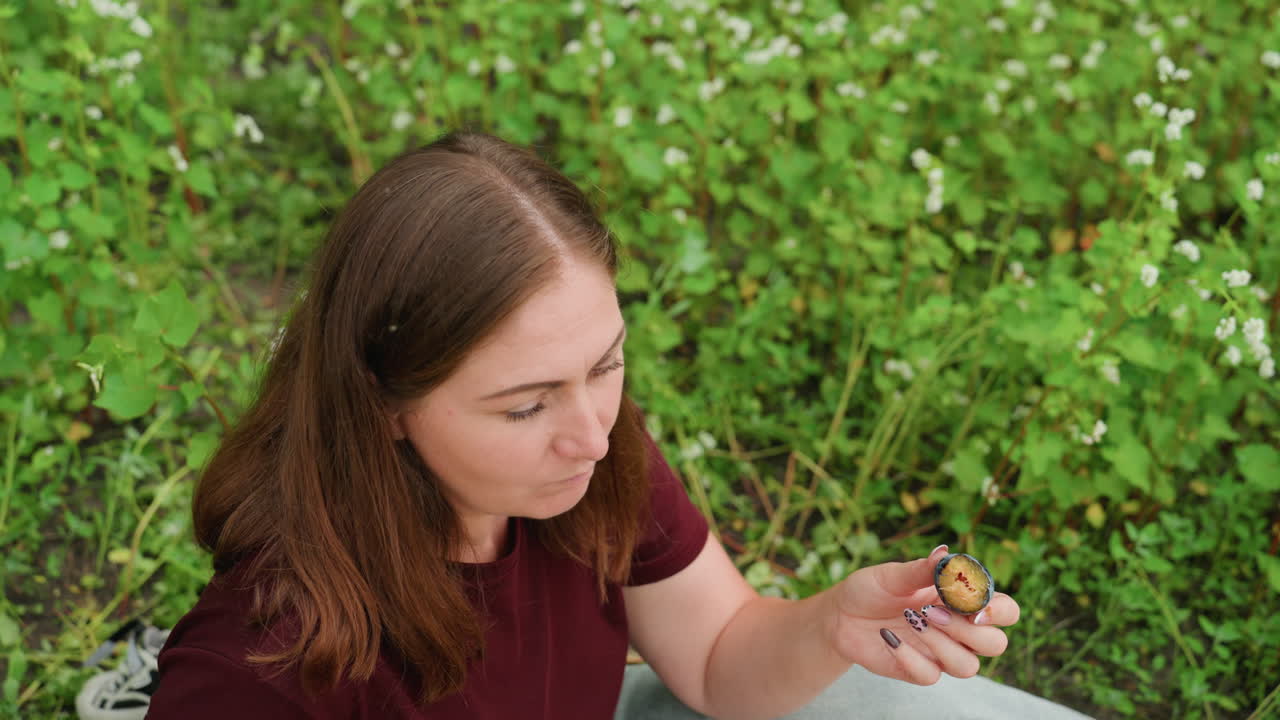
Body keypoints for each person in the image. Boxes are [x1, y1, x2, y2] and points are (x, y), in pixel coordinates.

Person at [146, 131, 1091, 719]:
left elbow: (719, 662)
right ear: (383, 404)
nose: (594, 438)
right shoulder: (264, 658)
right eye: (525, 405)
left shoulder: (592, 453)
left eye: (606, 366)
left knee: (912, 704)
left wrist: (831, 626)